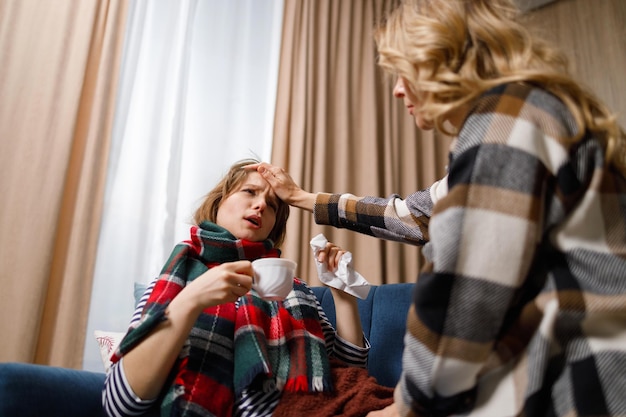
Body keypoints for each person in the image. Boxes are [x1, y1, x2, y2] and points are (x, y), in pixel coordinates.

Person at [248, 0, 626, 416]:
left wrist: (404, 407)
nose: (396, 89)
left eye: (402, 71)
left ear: (439, 58)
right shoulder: (518, 117)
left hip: (580, 387)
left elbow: (465, 298)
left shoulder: (504, 128)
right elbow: (413, 215)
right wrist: (303, 198)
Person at [101, 158, 387, 417]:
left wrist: (343, 294)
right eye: (249, 192)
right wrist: (190, 301)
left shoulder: (292, 289)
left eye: (272, 205)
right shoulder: (175, 283)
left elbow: (348, 371)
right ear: (218, 202)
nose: (261, 205)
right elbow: (119, 404)